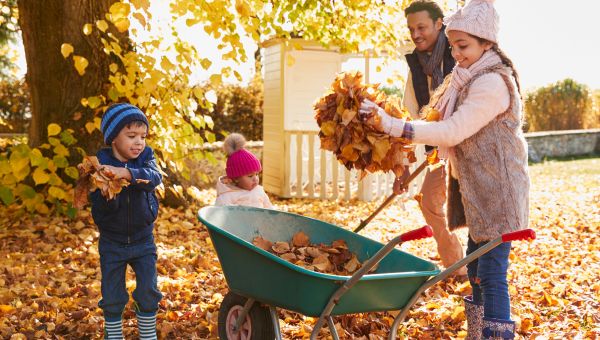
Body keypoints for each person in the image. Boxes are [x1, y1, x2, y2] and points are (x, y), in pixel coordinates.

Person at [360, 0, 529, 337]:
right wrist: (399, 151)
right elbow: (432, 120)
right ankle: (478, 333)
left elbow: (452, 130)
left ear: (487, 43)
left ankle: (495, 336)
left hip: (498, 191)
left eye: (463, 46)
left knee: (492, 274)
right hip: (475, 189)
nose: (457, 54)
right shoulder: (466, 78)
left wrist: (394, 127)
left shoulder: (491, 83)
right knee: (476, 269)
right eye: (453, 46)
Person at [402, 0, 467, 278]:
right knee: (429, 200)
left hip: (468, 146)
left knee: (474, 208)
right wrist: (402, 164)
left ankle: (484, 271)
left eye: (421, 27)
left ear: (439, 24)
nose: (416, 34)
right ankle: (457, 266)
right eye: (411, 28)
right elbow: (410, 117)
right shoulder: (416, 66)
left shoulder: (461, 53)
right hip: (437, 151)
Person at [91, 103, 162, 339]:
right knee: (112, 293)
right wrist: (108, 189)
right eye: (131, 136)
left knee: (149, 289)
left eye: (142, 136)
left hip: (143, 239)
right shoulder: (99, 165)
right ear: (113, 139)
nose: (139, 142)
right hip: (113, 241)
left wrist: (128, 174)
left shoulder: (146, 158)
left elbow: (154, 178)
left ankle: (147, 332)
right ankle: (113, 333)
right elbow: (101, 211)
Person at [215, 133, 273, 209]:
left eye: (257, 174)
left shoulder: (259, 191)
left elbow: (270, 211)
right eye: (250, 176)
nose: (255, 179)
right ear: (236, 178)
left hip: (259, 221)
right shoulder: (227, 196)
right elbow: (218, 215)